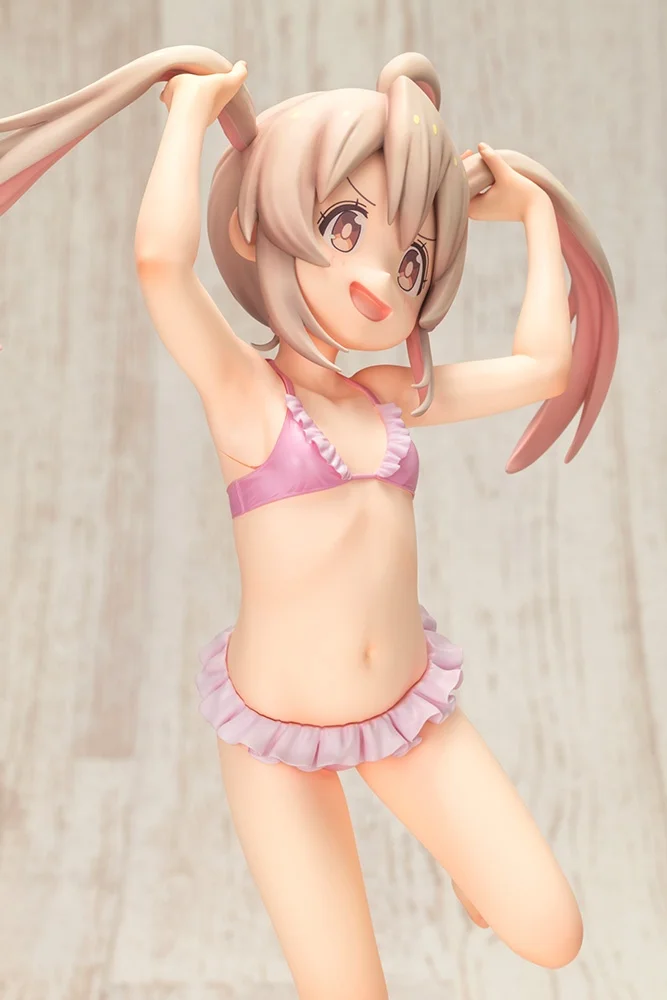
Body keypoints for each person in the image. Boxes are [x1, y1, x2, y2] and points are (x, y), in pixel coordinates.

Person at [0, 46, 618, 999]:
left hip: (408, 713)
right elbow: (160, 264)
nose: (380, 280)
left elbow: (541, 366)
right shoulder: (247, 397)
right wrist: (190, 115)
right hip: (276, 741)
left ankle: (467, 866)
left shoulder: (387, 394)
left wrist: (535, 214)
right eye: (344, 225)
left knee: (552, 932)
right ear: (258, 227)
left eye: (410, 262)